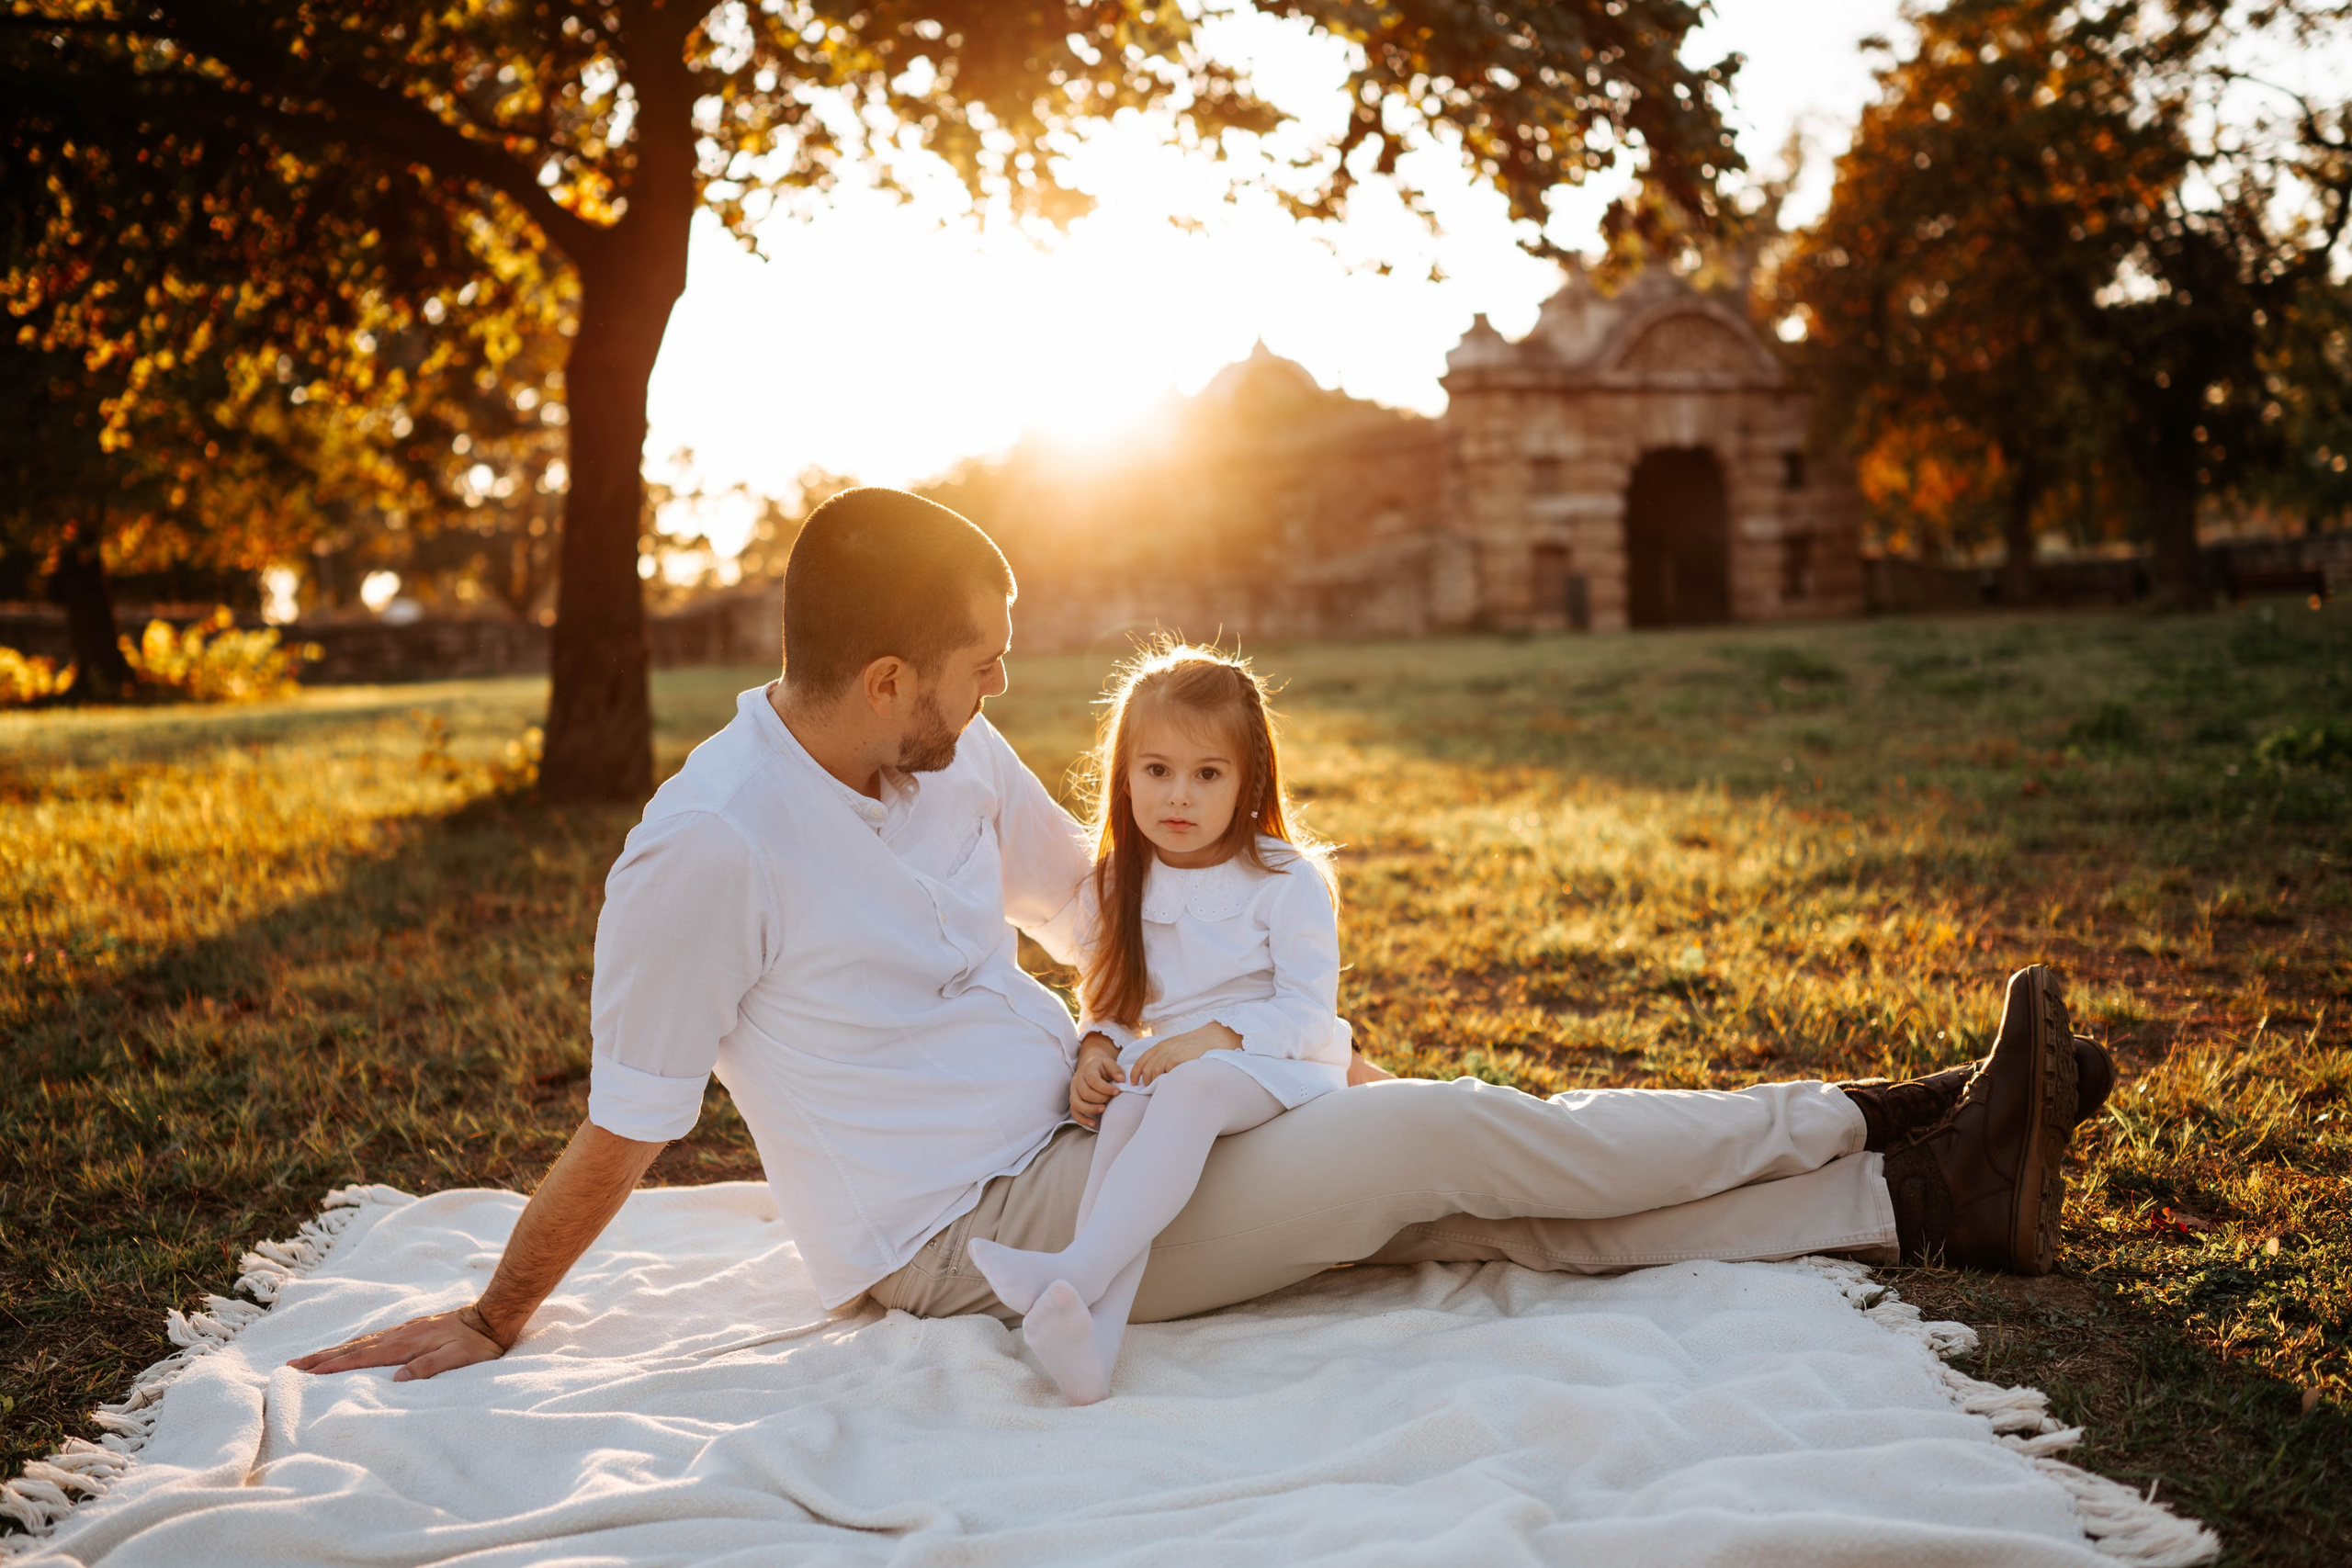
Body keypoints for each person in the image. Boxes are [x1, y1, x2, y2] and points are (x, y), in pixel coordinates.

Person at [291, 487, 2114, 1389]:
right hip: (973, 1237)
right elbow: (624, 1125)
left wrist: (1257, 1050)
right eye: (982, 662)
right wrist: (492, 1311)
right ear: (882, 676)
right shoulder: (705, 850)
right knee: (1433, 1143)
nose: (1007, 689)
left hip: (1117, 1120)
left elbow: (1097, 915)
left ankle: (1929, 1192)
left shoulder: (944, 751)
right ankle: (1873, 1107)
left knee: (1444, 1180)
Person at [967, 645, 1350, 1404]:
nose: (1180, 795)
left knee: (1186, 1089)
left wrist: (1215, 1039)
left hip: (1280, 1061)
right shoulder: (1122, 878)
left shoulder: (1284, 878)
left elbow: (1311, 1012)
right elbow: (1109, 994)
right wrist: (1099, 1048)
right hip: (1175, 1066)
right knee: (1128, 1109)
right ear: (1126, 775)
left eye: (1208, 774)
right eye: (1157, 770)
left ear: (1250, 782)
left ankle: (1075, 1268)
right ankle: (1093, 1346)